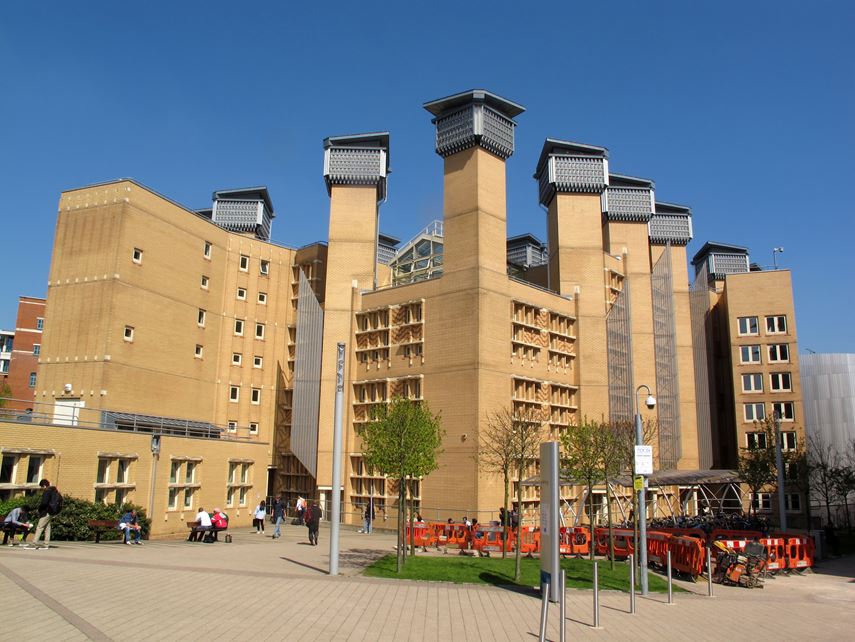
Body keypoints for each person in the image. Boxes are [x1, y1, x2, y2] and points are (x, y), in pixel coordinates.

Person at [31, 479, 62, 549]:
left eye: (41, 487)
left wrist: (39, 509)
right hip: (52, 512)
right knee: (47, 528)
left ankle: (34, 543)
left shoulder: (47, 492)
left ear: (44, 485)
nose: (41, 489)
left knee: (39, 527)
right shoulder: (54, 491)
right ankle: (46, 544)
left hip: (46, 512)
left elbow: (44, 503)